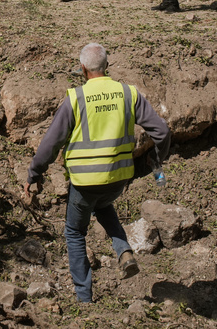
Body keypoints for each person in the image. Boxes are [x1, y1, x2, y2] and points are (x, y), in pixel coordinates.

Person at [24, 43, 171, 304]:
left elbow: (50, 143)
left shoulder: (76, 98)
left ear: (82, 69)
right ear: (107, 66)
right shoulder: (128, 94)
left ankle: (83, 296)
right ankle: (124, 251)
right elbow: (162, 132)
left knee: (74, 231)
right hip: (118, 179)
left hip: (84, 182)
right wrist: (155, 161)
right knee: (103, 205)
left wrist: (34, 173)